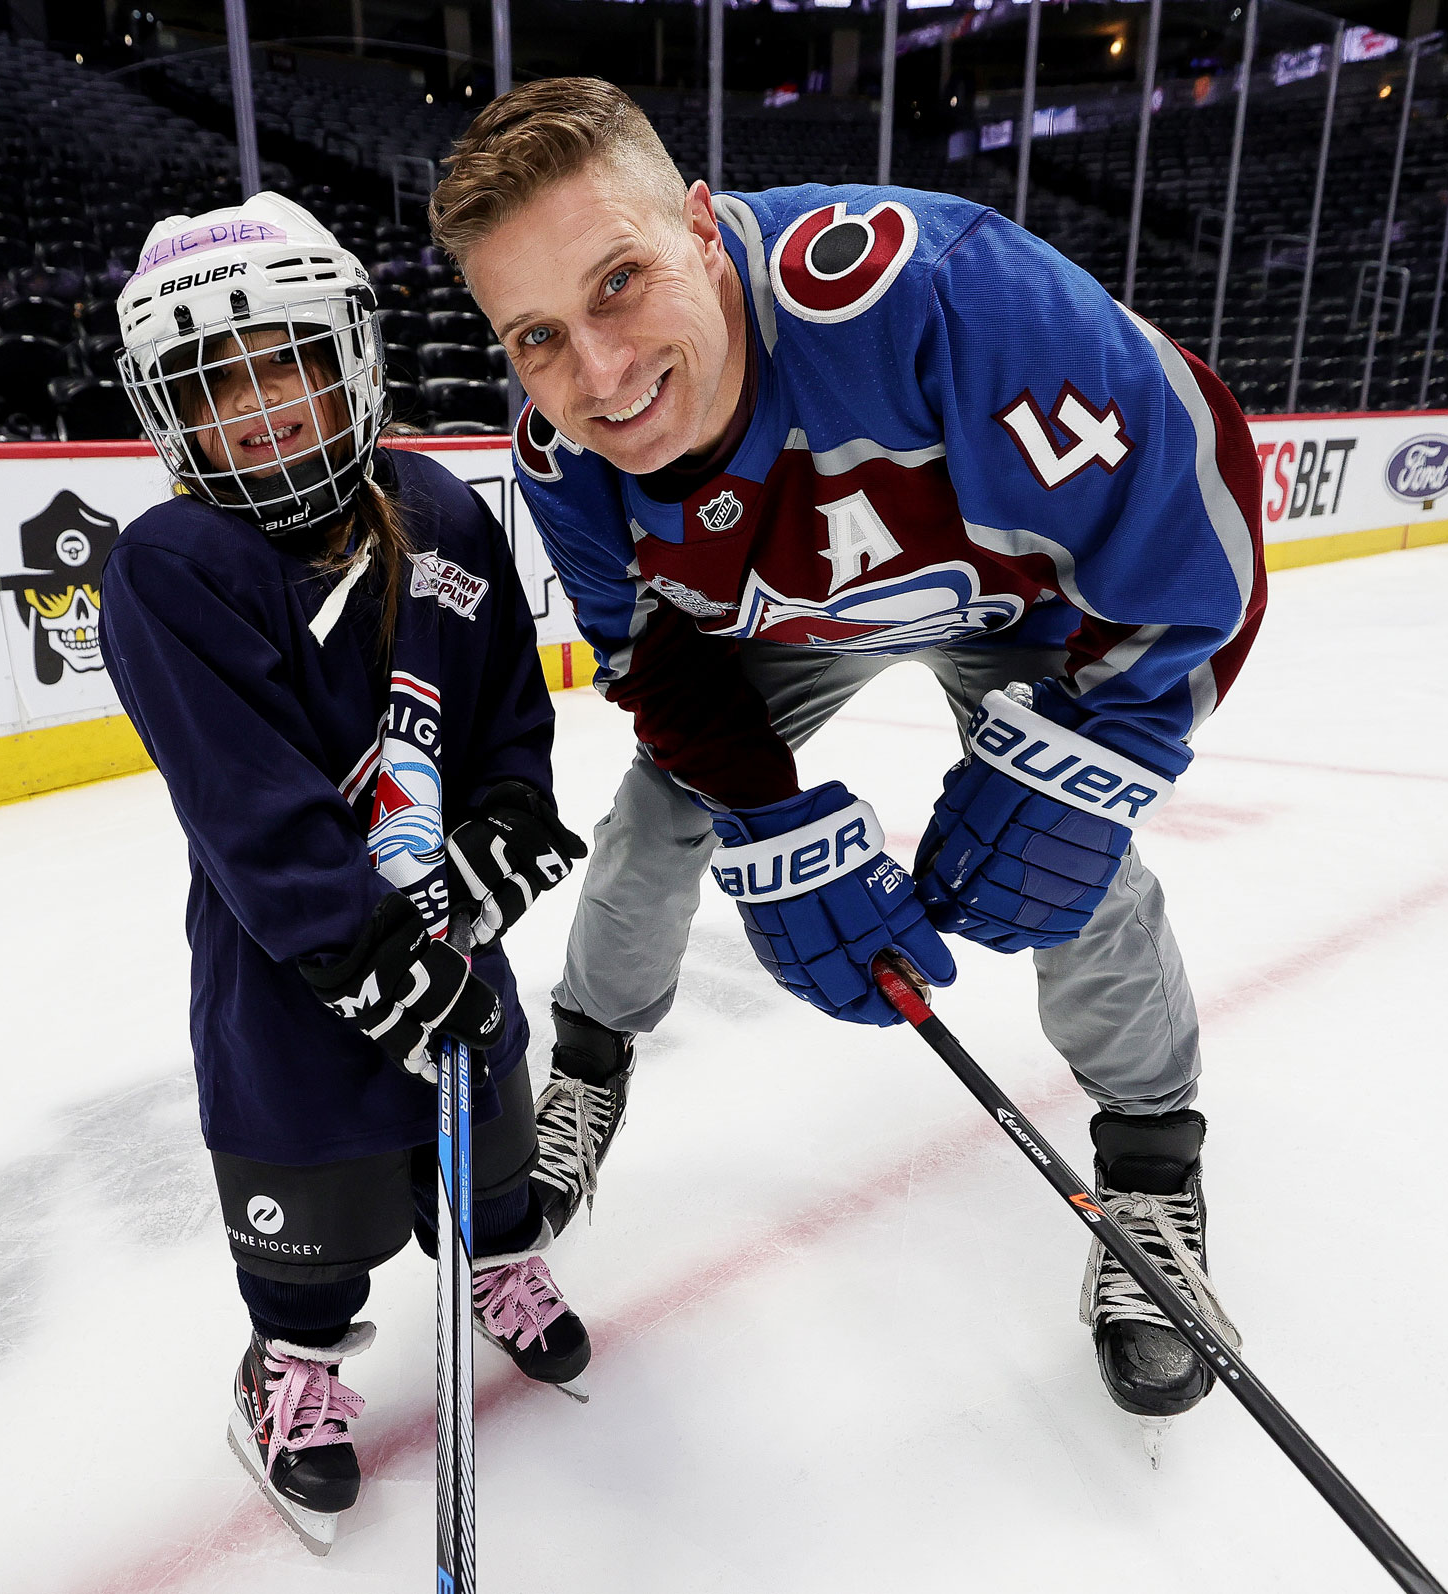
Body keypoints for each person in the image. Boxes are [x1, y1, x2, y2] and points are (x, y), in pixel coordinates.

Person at [431, 81, 1265, 1435]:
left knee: (1082, 865)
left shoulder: (943, 296)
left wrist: (1084, 760)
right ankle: (587, 1065)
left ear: (705, 230)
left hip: (1016, 605)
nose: (595, 373)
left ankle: (1152, 1172)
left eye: (621, 281)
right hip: (794, 626)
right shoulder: (562, 453)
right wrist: (771, 817)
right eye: (536, 334)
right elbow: (653, 662)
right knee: (661, 819)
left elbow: (1190, 511)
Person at [99, 194, 594, 1553]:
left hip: (452, 925)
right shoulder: (169, 566)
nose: (258, 407)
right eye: (218, 384)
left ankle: (502, 1257)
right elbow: (242, 803)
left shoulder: (439, 507)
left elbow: (505, 708)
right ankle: (292, 1363)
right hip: (291, 962)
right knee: (303, 1187)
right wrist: (357, 951)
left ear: (349, 358)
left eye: (285, 362)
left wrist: (503, 822)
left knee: (492, 1124)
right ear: (171, 413)